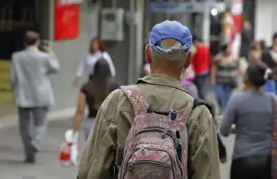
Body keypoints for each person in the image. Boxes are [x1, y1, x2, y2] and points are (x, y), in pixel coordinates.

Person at [78, 20, 220, 179]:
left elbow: (90, 171)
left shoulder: (117, 101)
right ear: (188, 60)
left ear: (147, 54)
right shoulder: (199, 114)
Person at [220, 62, 277, 179]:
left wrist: (238, 128)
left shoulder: (236, 99)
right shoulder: (273, 99)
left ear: (247, 77)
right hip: (267, 160)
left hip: (242, 160)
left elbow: (224, 131)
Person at [10, 31, 60, 163]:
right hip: (41, 94)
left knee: (24, 125)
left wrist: (13, 90)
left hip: (23, 95)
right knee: (40, 122)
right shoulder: (44, 57)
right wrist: (50, 52)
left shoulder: (16, 57)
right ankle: (36, 143)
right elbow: (55, 68)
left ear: (24, 42)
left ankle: (28, 149)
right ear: (37, 42)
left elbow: (12, 78)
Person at [71, 58, 119, 140]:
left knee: (92, 152)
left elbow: (80, 111)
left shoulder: (87, 87)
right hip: (110, 124)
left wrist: (73, 135)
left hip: (91, 125)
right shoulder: (115, 87)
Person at [211, 44, 241, 112]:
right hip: (220, 82)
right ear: (224, 49)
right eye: (228, 48)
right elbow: (214, 69)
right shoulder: (218, 58)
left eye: (230, 48)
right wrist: (212, 79)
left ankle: (225, 112)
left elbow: (239, 69)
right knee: (219, 97)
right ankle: (223, 110)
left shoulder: (235, 59)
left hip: (230, 83)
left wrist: (238, 76)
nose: (230, 50)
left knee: (228, 99)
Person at [191, 35, 211, 100]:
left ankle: (202, 102)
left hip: (199, 72)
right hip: (205, 71)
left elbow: (196, 62)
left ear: (196, 41)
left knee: (199, 90)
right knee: (204, 88)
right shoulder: (206, 48)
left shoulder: (197, 50)